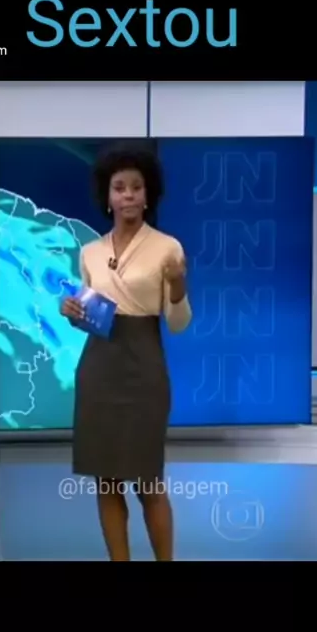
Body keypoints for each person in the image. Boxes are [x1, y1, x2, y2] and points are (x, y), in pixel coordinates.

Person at [60, 144, 192, 561]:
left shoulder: (168, 248)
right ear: (108, 196)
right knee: (106, 482)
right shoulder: (91, 253)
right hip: (99, 369)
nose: (128, 195)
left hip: (143, 366)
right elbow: (93, 316)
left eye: (137, 187)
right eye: (120, 188)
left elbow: (177, 322)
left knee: (149, 482)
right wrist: (73, 314)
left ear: (148, 195)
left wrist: (178, 287)